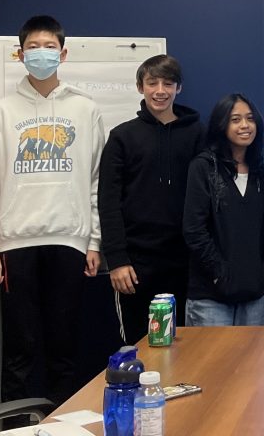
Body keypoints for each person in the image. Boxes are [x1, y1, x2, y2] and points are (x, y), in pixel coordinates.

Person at [0, 15, 104, 404]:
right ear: (19, 53)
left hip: (70, 240)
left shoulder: (86, 109)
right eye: (32, 47)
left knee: (64, 347)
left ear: (62, 53)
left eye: (49, 47)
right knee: (19, 349)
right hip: (15, 244)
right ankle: (12, 426)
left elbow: (97, 182)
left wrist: (94, 240)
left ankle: (64, 425)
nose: (41, 54)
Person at [98, 54, 203, 344]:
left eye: (168, 83)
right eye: (152, 82)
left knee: (186, 347)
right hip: (135, 265)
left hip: (186, 263)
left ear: (178, 88)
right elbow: (108, 202)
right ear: (140, 87)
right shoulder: (121, 137)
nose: (160, 90)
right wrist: (117, 260)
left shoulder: (197, 134)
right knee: (140, 345)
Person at [183, 93, 264, 326]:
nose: (245, 125)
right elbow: (194, 230)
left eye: (250, 118)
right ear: (221, 125)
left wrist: (262, 275)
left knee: (253, 363)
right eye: (236, 120)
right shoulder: (203, 167)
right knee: (214, 364)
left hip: (254, 297)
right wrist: (219, 275)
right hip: (210, 298)